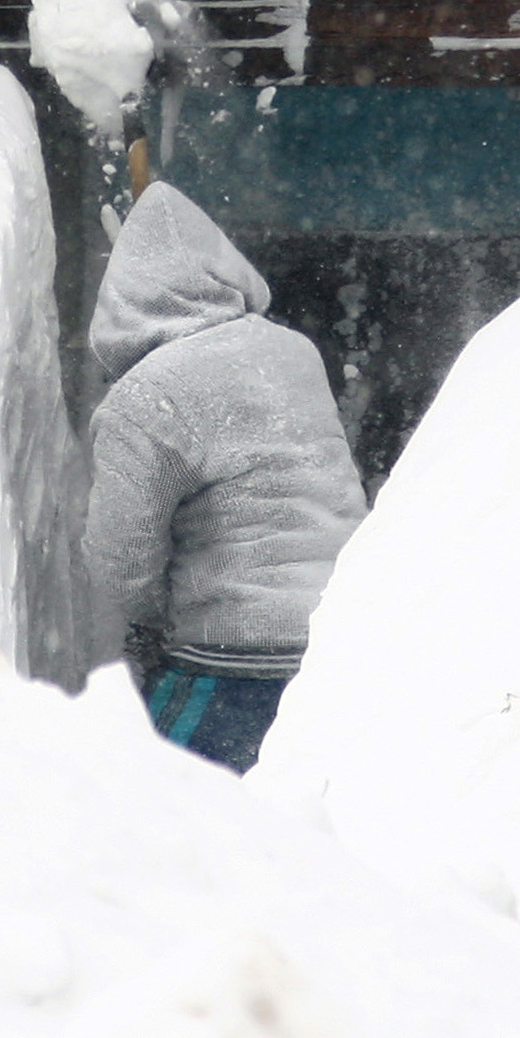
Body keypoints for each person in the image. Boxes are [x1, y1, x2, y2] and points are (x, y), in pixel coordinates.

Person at [79, 182, 366, 771]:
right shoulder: (293, 353)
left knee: (146, 812)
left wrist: (163, 614)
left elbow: (121, 561)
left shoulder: (146, 397)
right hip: (347, 639)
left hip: (232, 657)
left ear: (121, 303)